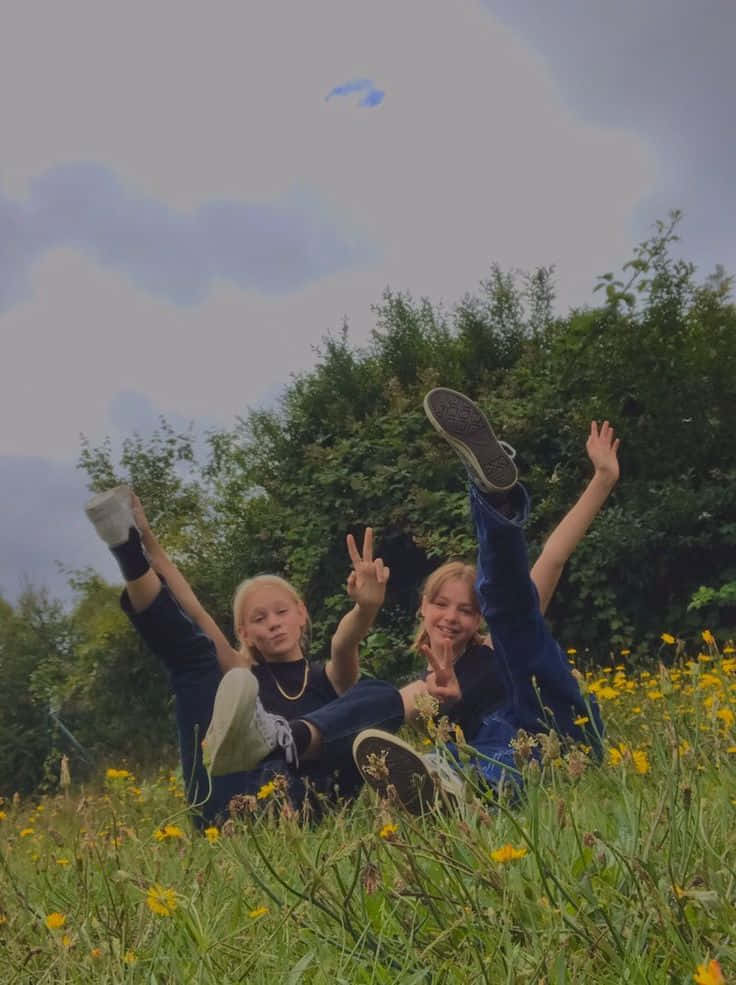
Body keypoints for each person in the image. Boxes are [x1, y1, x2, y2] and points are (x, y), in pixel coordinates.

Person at [352, 389, 616, 812]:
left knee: (513, 612)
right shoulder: (425, 686)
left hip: (562, 725)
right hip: (520, 760)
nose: (452, 616)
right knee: (472, 749)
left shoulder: (497, 642)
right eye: (441, 603)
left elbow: (554, 554)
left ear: (478, 620)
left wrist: (603, 478)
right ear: (422, 605)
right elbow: (376, 714)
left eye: (467, 609)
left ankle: (494, 496)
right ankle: (453, 790)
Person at [84, 490, 410, 825]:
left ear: (301, 614)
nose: (273, 623)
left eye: (281, 612)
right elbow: (193, 611)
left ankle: (283, 739)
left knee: (381, 694)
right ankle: (125, 549)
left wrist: (366, 607)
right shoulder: (241, 675)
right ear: (245, 634)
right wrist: (145, 540)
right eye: (259, 619)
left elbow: (344, 641)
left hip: (303, 806)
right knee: (197, 659)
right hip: (235, 802)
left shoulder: (330, 678)